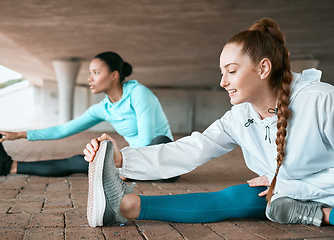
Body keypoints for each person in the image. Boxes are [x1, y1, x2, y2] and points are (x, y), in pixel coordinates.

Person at [83, 18, 334, 227]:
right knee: (234, 196)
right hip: (284, 193)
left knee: (264, 196)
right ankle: (123, 206)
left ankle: (320, 214)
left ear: (264, 68)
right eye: (221, 72)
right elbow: (192, 149)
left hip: (320, 192)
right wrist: (122, 159)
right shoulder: (240, 116)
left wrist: (290, 186)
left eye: (232, 71)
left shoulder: (321, 100)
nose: (223, 82)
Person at [0, 51, 177, 181]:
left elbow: (146, 139)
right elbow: (63, 129)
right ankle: (10, 166)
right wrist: (20, 134)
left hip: (163, 160)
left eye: (96, 73)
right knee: (80, 160)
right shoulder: (103, 109)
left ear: (114, 75)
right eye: (90, 73)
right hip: (135, 163)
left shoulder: (138, 93)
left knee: (160, 139)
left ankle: (129, 168)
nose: (90, 78)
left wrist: (127, 167)